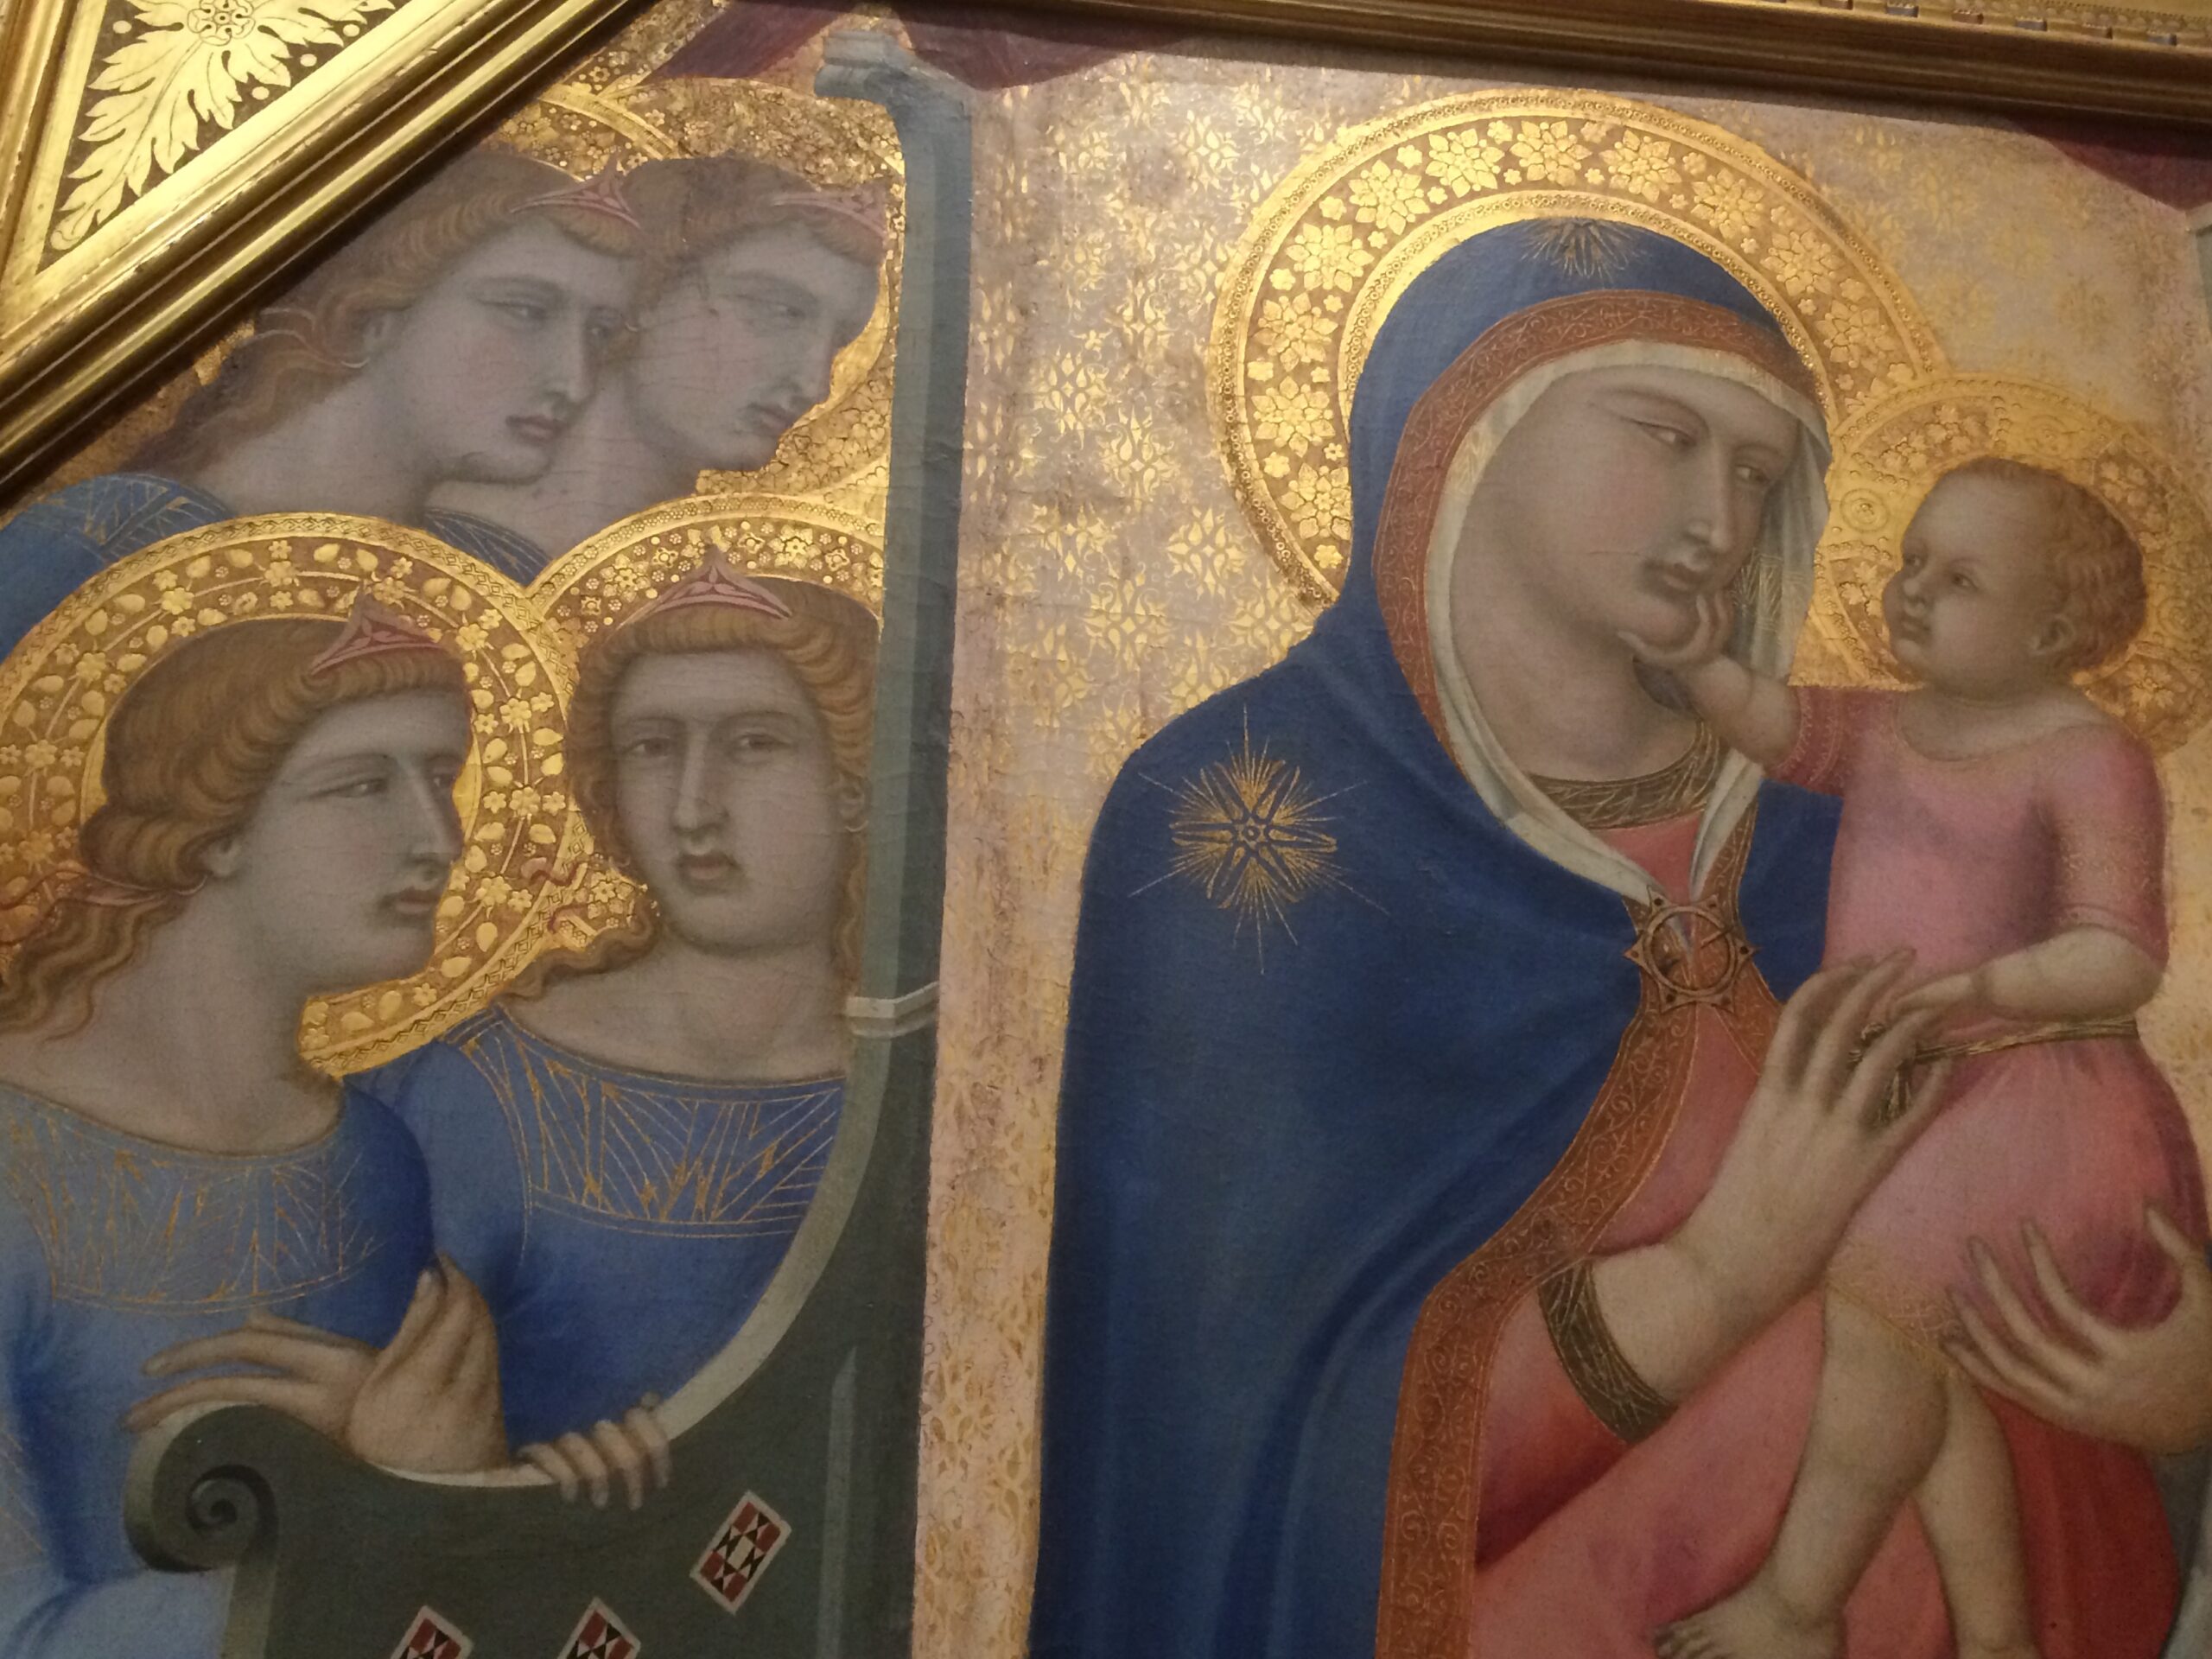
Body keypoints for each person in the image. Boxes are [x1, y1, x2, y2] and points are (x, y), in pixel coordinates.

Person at [1027, 218, 2185, 1659]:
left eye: (1757, 473)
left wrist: (2178, 1401)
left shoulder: (1843, 832)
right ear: (1472, 427)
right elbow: (1232, 1464)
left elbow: (2045, 1183)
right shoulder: (1263, 824)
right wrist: (1725, 1269)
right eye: (1665, 436)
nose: (1721, 516)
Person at [1636, 457, 2202, 1658]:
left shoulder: (2087, 756)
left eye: (1958, 579)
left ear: (2052, 630)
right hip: (1924, 1092)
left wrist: (1978, 992)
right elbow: (1779, 727)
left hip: (2042, 1101)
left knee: (1877, 1329)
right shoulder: (1890, 728)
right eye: (1912, 561)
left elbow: (2118, 957)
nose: (1910, 590)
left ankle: (1798, 1609)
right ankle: (1999, 1639)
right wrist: (1698, 663)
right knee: (1920, 1366)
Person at [0, 604, 505, 1656]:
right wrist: (386, 1507)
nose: (441, 839)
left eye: (441, 777)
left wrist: (459, 1484)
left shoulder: (369, 1160)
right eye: (363, 785)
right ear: (216, 828)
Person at [358, 558, 876, 1470]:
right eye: (652, 748)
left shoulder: (925, 1096)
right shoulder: (471, 1093)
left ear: (854, 782)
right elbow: (377, 1448)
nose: (693, 808)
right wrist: (501, 1493)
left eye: (754, 743)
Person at [0, 148, 641, 652]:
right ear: (374, 313)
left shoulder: (496, 573)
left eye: (601, 334)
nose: (575, 381)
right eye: (526, 311)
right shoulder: (106, 537)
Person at [427, 156, 883, 558]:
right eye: (781, 312)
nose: (814, 386)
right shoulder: (438, 557)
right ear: (649, 292)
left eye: (840, 340)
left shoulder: (703, 598)